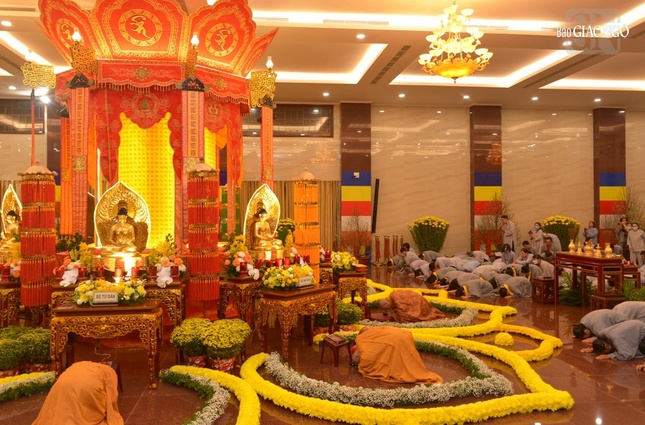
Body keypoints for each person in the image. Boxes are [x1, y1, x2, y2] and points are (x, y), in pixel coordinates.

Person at [32, 361, 124, 425]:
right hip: (86, 386)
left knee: (63, 407)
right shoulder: (109, 372)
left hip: (63, 383)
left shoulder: (77, 365)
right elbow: (111, 402)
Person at [352, 326, 443, 384]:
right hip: (403, 335)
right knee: (405, 357)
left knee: (398, 358)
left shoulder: (363, 338)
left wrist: (363, 364)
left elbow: (367, 356)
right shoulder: (378, 331)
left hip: (396, 339)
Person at [379, 290, 445, 322]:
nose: (387, 309)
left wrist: (393, 313)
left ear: (386, 304)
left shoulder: (395, 299)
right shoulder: (392, 295)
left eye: (386, 308)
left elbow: (403, 314)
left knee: (412, 316)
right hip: (419, 298)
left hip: (418, 303)